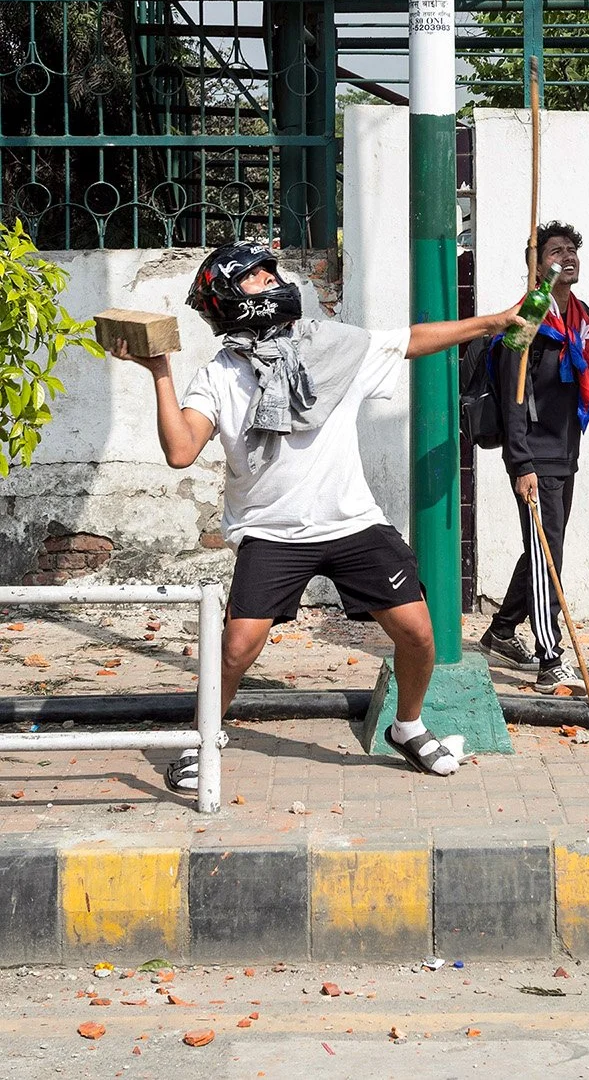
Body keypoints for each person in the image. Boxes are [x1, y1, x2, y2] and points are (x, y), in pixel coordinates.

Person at [111, 241, 522, 789]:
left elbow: (410, 341)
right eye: (257, 277)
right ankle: (201, 736)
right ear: (233, 298)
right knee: (237, 646)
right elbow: (181, 450)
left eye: (269, 271)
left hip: (352, 523)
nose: (272, 280)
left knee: (418, 635)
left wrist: (493, 322)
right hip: (270, 530)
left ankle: (408, 725)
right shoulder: (220, 376)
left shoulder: (332, 347)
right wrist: (159, 370)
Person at [479, 222, 589, 694]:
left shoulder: (578, 312)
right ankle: (550, 655)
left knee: (542, 546)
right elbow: (513, 394)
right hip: (535, 453)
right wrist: (521, 463)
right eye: (556, 251)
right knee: (546, 550)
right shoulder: (528, 317)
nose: (568, 257)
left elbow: (584, 362)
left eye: (572, 249)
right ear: (536, 267)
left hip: (564, 449)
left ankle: (499, 632)